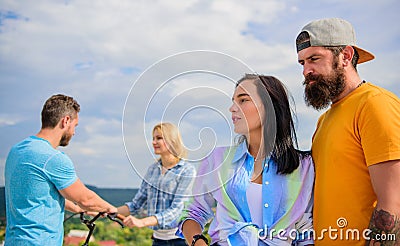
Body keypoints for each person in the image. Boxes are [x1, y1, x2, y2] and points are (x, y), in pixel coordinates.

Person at [296, 18, 400, 245]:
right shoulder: (324, 120)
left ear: (345, 56)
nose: (306, 71)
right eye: (302, 63)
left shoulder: (374, 104)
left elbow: (394, 202)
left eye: (314, 59)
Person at [178, 74, 315, 246]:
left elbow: (306, 228)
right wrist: (198, 242)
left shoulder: (304, 166)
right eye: (233, 101)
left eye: (243, 100)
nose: (232, 108)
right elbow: (193, 213)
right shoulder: (217, 159)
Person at [4, 94, 118, 246]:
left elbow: (39, 196)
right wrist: (111, 208)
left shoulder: (16, 151)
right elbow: (86, 199)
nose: (74, 133)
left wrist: (78, 209)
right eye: (75, 126)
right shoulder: (53, 158)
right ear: (65, 121)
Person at [117, 122, 196, 246]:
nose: (154, 142)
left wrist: (142, 222)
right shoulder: (152, 169)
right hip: (157, 241)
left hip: (179, 240)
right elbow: (136, 204)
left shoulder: (186, 170)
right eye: (153, 138)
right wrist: (109, 211)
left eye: (159, 138)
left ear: (172, 140)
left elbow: (177, 210)